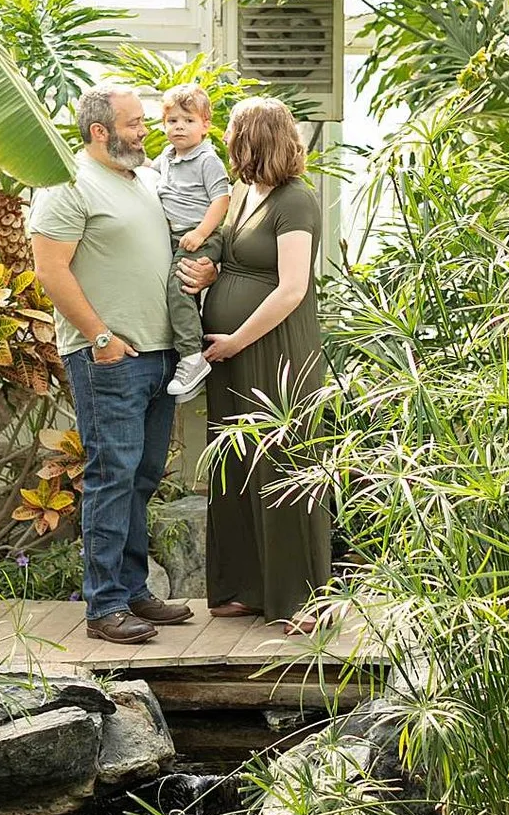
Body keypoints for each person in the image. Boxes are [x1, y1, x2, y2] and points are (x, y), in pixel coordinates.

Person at [29, 84, 193, 646]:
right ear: (99, 131)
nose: (144, 130)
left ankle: (133, 591)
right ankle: (104, 607)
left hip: (159, 355)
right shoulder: (66, 185)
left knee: (142, 477)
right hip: (110, 359)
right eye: (132, 123)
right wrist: (99, 337)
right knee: (111, 476)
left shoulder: (144, 180)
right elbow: (51, 271)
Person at [182, 95, 334, 632]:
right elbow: (235, 261)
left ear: (255, 140)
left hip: (274, 352)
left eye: (234, 136)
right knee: (237, 466)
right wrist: (208, 277)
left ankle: (302, 600)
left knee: (282, 468)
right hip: (232, 353)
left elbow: (293, 288)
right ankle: (246, 587)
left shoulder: (297, 201)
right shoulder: (246, 192)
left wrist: (237, 340)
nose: (226, 144)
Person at [153, 83, 234, 400]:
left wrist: (201, 232)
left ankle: (191, 357)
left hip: (199, 236)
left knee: (180, 287)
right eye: (172, 121)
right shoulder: (168, 156)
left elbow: (221, 200)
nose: (179, 127)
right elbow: (151, 172)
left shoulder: (207, 160)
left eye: (187, 120)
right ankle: (188, 350)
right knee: (175, 290)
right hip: (176, 236)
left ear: (205, 125)